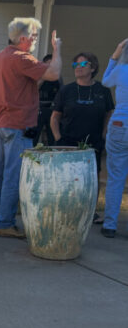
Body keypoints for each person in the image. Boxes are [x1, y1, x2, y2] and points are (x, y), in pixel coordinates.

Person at [0, 17, 62, 239]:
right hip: (18, 124)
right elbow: (54, 74)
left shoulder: (0, 57)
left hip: (2, 122)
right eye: (35, 35)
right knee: (13, 175)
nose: (36, 40)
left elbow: (18, 85)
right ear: (24, 38)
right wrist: (57, 50)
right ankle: (6, 223)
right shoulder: (22, 57)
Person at [50, 52, 114, 224]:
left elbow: (109, 113)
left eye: (82, 64)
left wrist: (103, 134)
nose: (78, 68)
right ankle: (67, 210)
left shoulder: (103, 91)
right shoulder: (67, 90)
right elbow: (55, 117)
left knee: (92, 179)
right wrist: (58, 138)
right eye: (75, 65)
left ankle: (89, 212)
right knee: (67, 178)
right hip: (68, 142)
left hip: (93, 143)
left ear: (92, 68)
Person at [100, 39, 128, 238]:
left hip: (119, 124)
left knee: (116, 177)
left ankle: (110, 225)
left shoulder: (120, 71)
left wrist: (115, 54)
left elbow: (105, 81)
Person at [33, 54, 62, 146]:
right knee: (32, 135)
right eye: (48, 64)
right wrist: (44, 76)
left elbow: (62, 92)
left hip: (52, 109)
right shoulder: (38, 75)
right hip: (38, 110)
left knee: (52, 136)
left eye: (52, 64)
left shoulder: (57, 77)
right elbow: (33, 89)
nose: (50, 67)